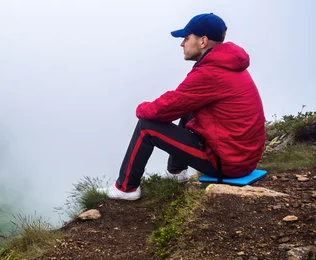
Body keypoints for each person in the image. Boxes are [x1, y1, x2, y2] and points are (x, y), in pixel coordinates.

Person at [105, 13, 266, 200]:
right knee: (190, 109)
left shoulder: (210, 72)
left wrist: (141, 108)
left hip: (228, 164)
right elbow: (182, 102)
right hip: (244, 159)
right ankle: (176, 173)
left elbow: (168, 106)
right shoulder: (227, 64)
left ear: (203, 41)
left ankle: (126, 189)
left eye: (186, 38)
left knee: (146, 127)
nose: (182, 44)